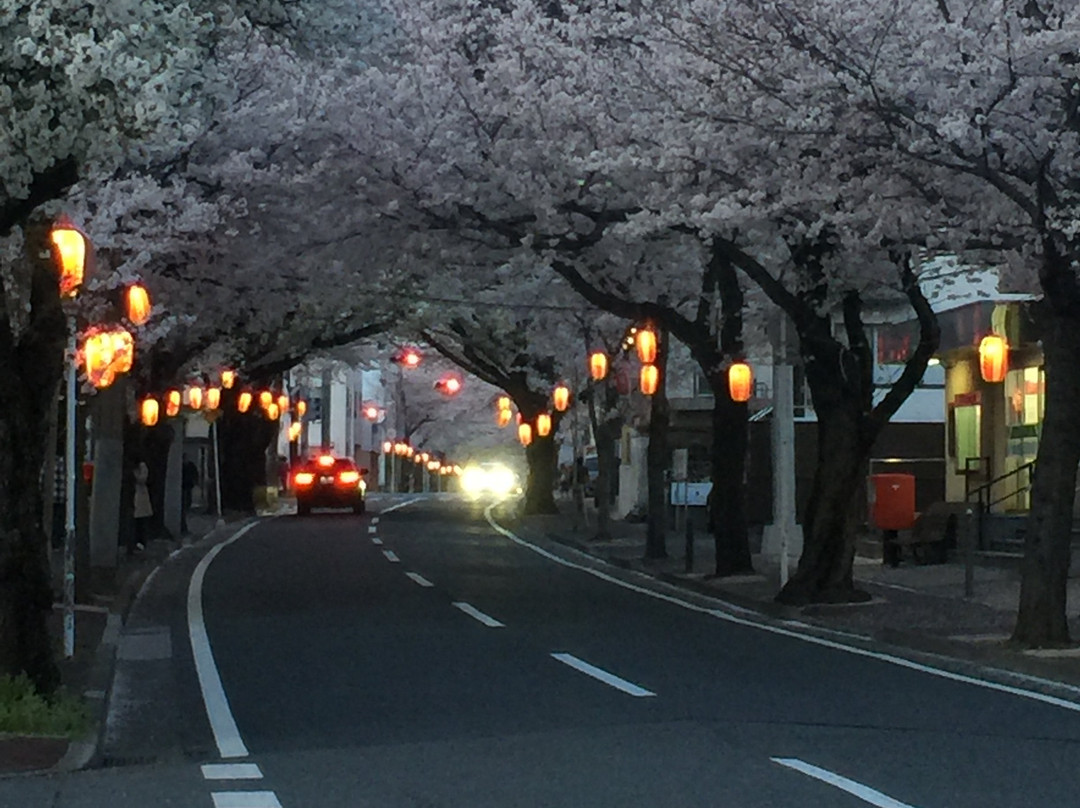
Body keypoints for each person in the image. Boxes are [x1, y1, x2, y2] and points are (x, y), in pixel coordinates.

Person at [131, 460, 152, 554]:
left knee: (141, 523)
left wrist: (135, 475)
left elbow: (143, 479)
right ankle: (135, 543)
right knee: (135, 523)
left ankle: (141, 543)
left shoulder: (142, 466)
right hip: (134, 499)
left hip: (140, 499)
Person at [181, 454, 199, 535]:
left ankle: (187, 506)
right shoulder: (182, 466)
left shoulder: (190, 465)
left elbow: (195, 473)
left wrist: (194, 481)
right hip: (184, 485)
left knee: (188, 497)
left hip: (188, 484)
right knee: (185, 498)